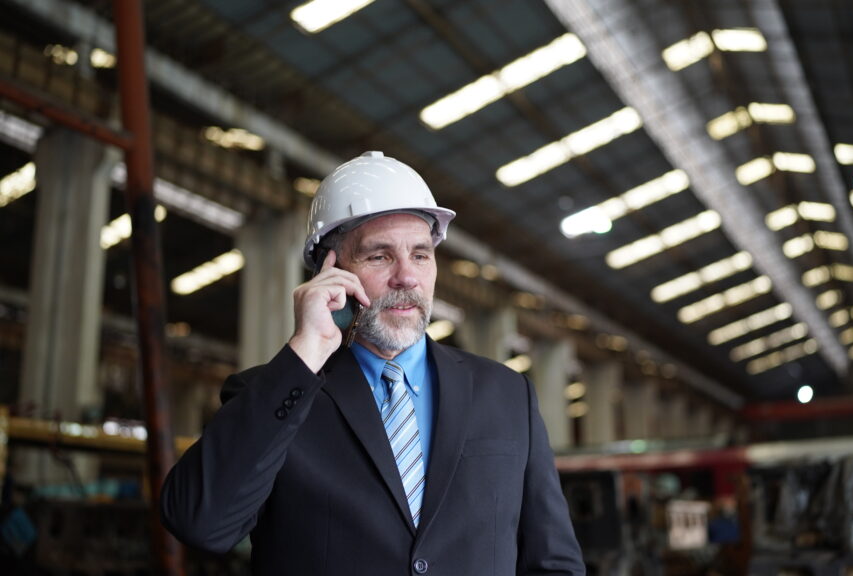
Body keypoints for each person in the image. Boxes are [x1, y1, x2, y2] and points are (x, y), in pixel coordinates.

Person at [160, 151, 585, 575]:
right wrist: (307, 351)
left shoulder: (507, 394)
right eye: (379, 256)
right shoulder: (273, 396)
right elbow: (200, 523)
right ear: (331, 271)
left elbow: (553, 562)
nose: (407, 277)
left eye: (420, 255)